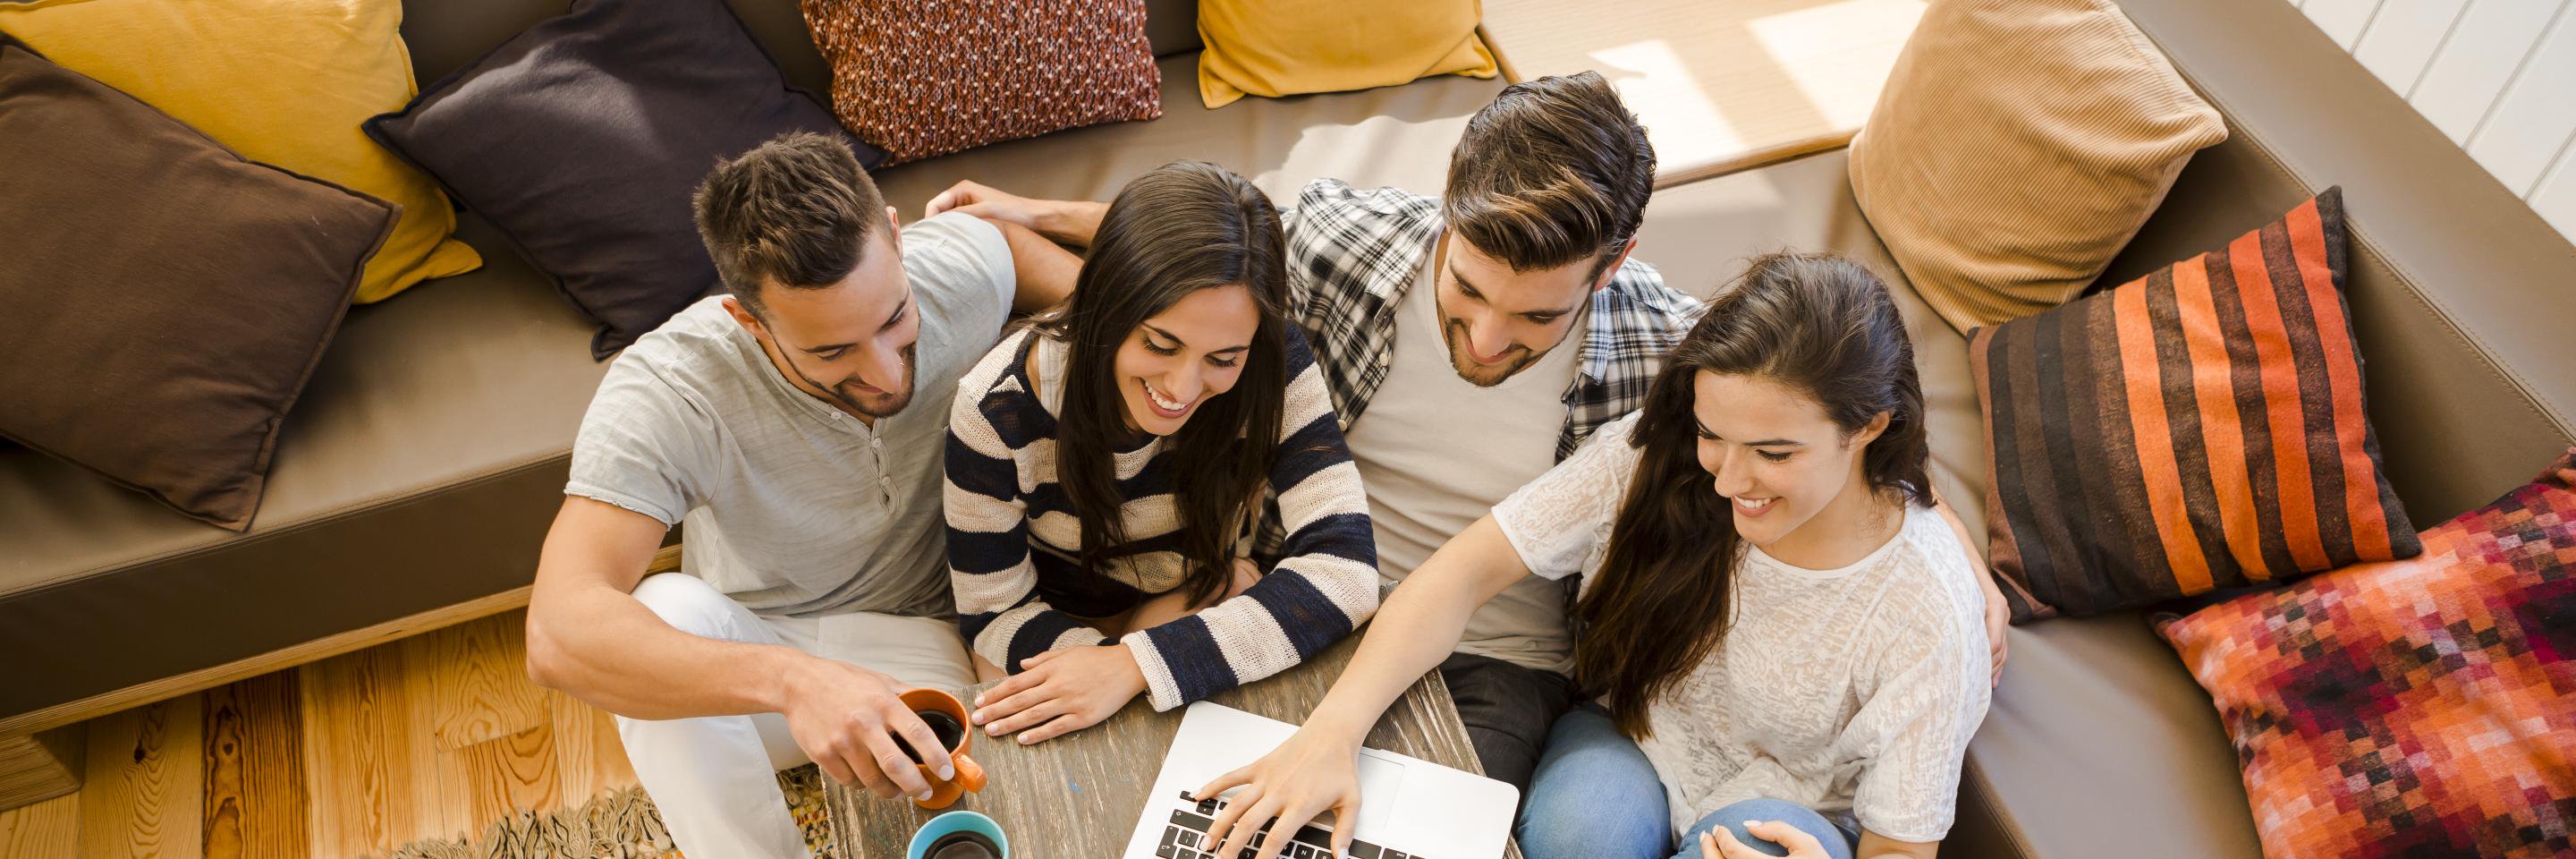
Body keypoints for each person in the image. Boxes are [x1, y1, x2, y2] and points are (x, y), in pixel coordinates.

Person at [927, 72, 2009, 791]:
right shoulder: (1349, 240)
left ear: (1616, 261)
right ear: (1444, 214)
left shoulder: (1670, 353)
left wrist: (1957, 557)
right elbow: (1211, 234)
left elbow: (1834, 410)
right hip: (1292, 589)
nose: (1490, 339)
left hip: (1498, 657)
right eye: (1470, 289)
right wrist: (1025, 214)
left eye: (1537, 313)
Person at [1191, 253, 1994, 859]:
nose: (1731, 478)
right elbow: (1461, 572)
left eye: (1775, 453)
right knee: (1581, 840)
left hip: (1797, 811)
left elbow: (1903, 845)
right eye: (1715, 435)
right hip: (1632, 736)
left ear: (1871, 428)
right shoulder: (1654, 456)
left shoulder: (1926, 610)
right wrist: (1330, 736)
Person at [521, 131, 1079, 859]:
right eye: (831, 351)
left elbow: (1139, 304)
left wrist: (1048, 217)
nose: (882, 373)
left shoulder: (960, 264)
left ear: (894, 236)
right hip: (761, 650)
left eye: (893, 321)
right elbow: (556, 634)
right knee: (661, 613)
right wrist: (794, 684)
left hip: (937, 642)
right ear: (748, 320)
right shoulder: (670, 385)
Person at [944, 161, 1379, 745]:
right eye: (1159, 344)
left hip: (1194, 603)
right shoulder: (998, 408)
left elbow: (1347, 572)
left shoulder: (1273, 362)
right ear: (1107, 308)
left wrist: (1134, 666)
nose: (1180, 388)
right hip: (1053, 625)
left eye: (1222, 359)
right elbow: (993, 611)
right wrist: (1109, 663)